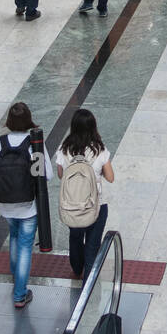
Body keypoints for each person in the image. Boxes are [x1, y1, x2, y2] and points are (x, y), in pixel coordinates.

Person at [0, 103, 53, 308]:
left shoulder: (1, 142)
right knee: (25, 246)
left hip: (6, 205)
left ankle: (17, 278)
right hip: (28, 206)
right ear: (28, 120)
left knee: (14, 237)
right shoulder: (33, 142)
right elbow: (46, 175)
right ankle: (19, 294)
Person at [55, 109, 113, 280]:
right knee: (92, 246)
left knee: (75, 238)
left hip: (72, 204)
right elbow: (110, 177)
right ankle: (87, 287)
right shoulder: (100, 151)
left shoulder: (64, 149)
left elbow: (60, 175)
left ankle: (76, 267)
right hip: (96, 205)